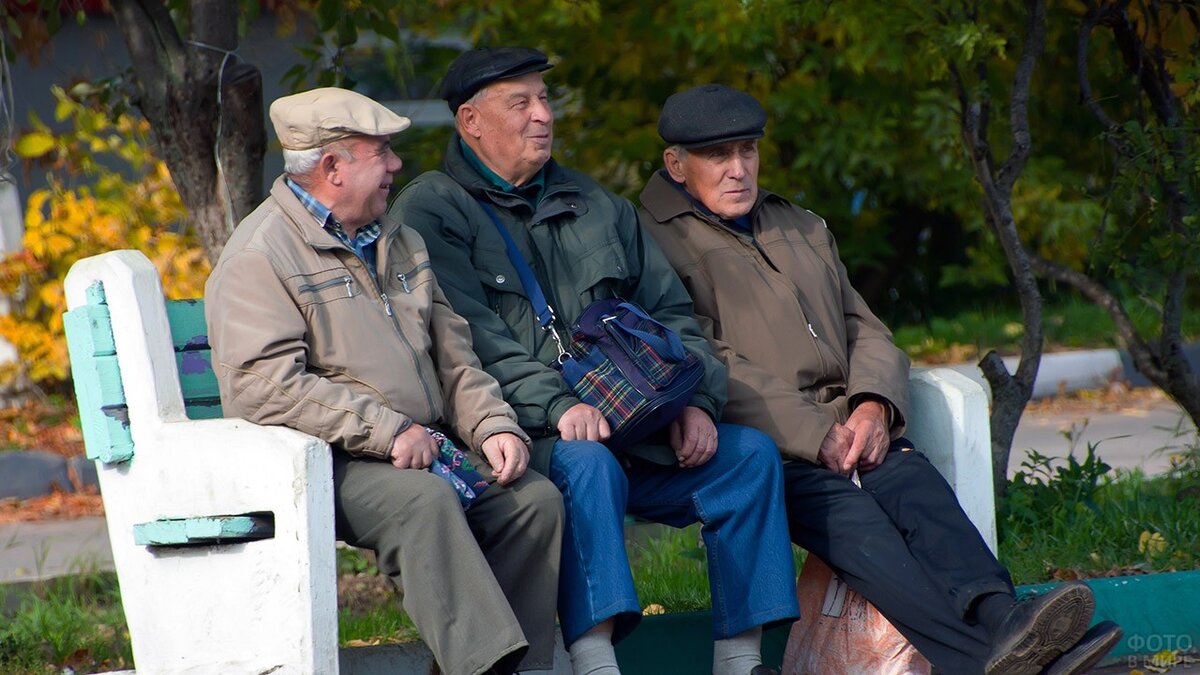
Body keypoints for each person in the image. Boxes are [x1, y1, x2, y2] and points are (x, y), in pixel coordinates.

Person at [636, 83, 1125, 675]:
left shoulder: (799, 224)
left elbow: (865, 326)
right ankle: (987, 661)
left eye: (748, 151)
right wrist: (816, 432)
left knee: (916, 489)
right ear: (676, 164)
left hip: (853, 425)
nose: (739, 169)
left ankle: (1006, 621)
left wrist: (872, 407)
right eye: (719, 156)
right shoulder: (652, 241)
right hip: (769, 448)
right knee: (863, 528)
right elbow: (708, 361)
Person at [391, 48, 799, 675]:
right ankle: (594, 659)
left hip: (634, 423)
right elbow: (466, 341)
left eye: (544, 99)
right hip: (522, 441)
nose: (542, 116)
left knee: (746, 457)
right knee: (586, 462)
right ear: (470, 121)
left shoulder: (597, 202)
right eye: (520, 103)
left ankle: (742, 661)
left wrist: (694, 403)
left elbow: (672, 314)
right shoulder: (433, 210)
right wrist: (556, 406)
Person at [204, 87, 564, 675]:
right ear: (332, 167)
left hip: (425, 442)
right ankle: (488, 668)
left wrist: (492, 425)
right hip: (327, 458)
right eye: (382, 153)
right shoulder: (261, 255)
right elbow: (262, 385)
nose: (398, 165)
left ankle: (510, 668)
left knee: (533, 501)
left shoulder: (398, 240)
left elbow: (455, 357)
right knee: (426, 503)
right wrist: (386, 430)